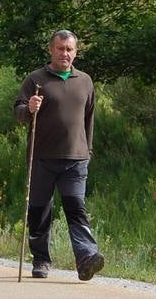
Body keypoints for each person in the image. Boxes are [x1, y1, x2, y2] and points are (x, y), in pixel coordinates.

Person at [14, 29, 105, 281]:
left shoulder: (84, 81)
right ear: (51, 50)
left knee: (76, 207)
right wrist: (28, 108)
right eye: (60, 48)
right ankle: (41, 260)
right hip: (42, 156)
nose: (65, 53)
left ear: (75, 52)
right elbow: (19, 112)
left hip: (75, 158)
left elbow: (89, 118)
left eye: (69, 49)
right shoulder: (36, 79)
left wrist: (88, 150)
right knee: (39, 211)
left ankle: (86, 257)